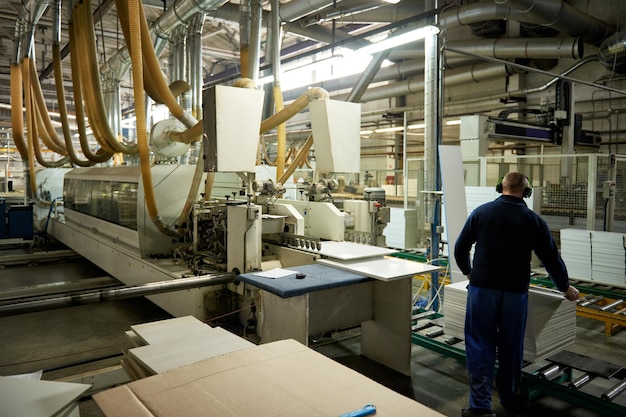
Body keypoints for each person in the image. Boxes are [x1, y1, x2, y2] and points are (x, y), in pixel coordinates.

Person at [453, 172, 579, 417]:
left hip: (482, 290)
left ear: (501, 187)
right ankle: (510, 399)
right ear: (526, 191)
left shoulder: (481, 213)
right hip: (515, 294)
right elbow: (551, 258)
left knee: (480, 345)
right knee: (511, 348)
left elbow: (460, 249)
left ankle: (480, 407)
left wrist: (469, 272)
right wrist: (564, 287)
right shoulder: (534, 221)